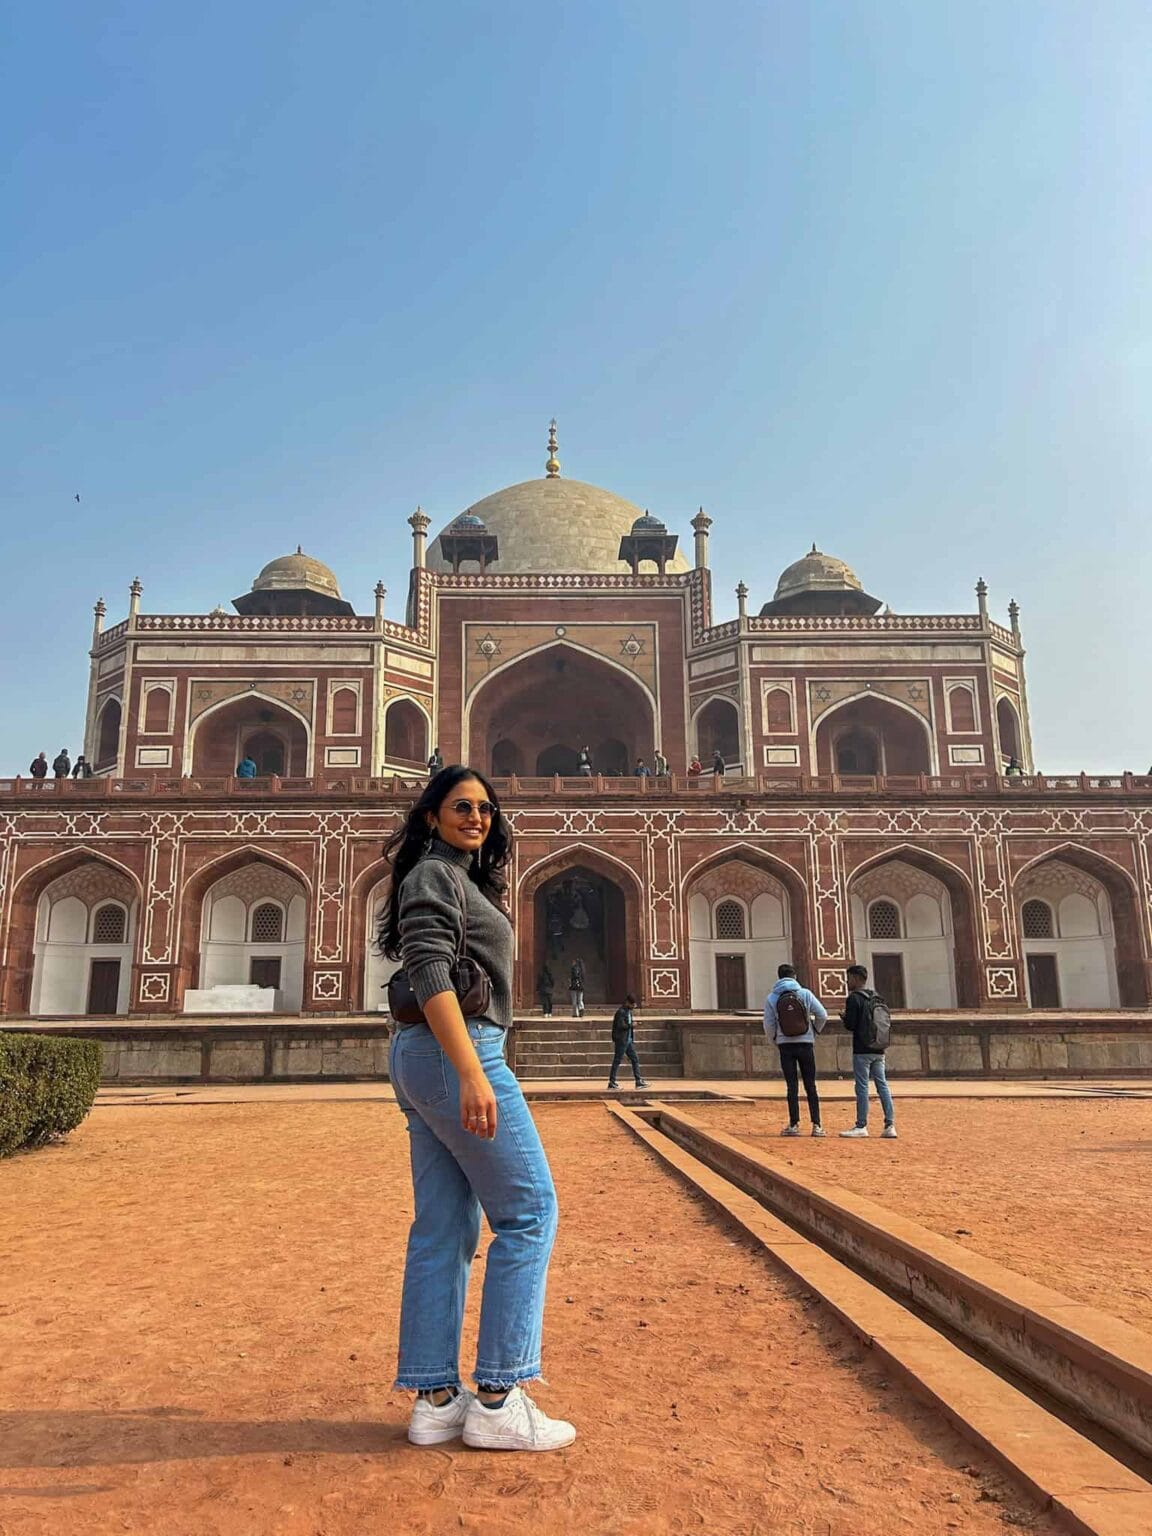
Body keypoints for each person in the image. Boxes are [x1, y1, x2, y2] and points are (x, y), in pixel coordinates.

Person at [379, 764, 575, 1452]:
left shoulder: (453, 878)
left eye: (486, 808)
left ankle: (435, 1399)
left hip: (420, 1054)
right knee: (530, 1212)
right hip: (454, 1051)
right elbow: (430, 968)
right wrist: (471, 1071)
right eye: (461, 806)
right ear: (431, 815)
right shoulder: (435, 876)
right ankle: (497, 1396)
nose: (477, 816)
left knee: (443, 1227)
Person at [763, 964, 828, 1137]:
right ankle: (817, 1125)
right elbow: (822, 1015)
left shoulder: (772, 998)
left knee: (792, 1086)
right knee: (811, 1085)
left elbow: (769, 1025)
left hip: (786, 1045)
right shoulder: (805, 994)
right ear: (795, 976)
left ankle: (794, 1124)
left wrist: (775, 1040)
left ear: (778, 977)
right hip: (805, 1043)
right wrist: (814, 1032)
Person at [840, 964, 897, 1139]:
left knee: (862, 1086)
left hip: (862, 1049)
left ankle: (861, 1125)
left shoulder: (854, 999)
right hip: (879, 1048)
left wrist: (843, 1017)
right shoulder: (877, 997)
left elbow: (851, 1024)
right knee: (882, 1085)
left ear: (856, 979)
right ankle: (890, 1125)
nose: (847, 982)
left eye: (849, 978)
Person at [608, 994, 649, 1090]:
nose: (633, 1007)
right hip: (621, 1040)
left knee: (635, 1059)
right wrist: (631, 1025)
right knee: (617, 1060)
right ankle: (612, 1082)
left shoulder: (628, 1012)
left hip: (628, 1040)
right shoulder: (621, 1012)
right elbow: (621, 1026)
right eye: (632, 1004)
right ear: (627, 1003)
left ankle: (638, 1081)